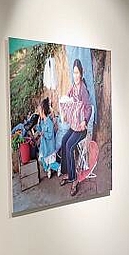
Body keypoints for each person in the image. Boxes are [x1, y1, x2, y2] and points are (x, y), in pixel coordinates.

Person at [58, 59, 92, 196]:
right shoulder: (73, 87)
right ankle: (67, 173)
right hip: (74, 125)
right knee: (63, 141)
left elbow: (89, 108)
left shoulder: (83, 89)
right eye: (74, 73)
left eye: (77, 73)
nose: (75, 76)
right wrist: (65, 105)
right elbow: (68, 99)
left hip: (81, 128)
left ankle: (74, 180)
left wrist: (85, 120)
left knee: (69, 146)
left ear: (81, 74)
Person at [37, 98, 61, 178]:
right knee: (43, 159)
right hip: (44, 147)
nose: (39, 112)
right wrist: (38, 122)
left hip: (49, 147)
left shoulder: (49, 122)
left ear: (43, 111)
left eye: (40, 110)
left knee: (51, 162)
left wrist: (44, 134)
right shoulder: (42, 121)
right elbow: (39, 129)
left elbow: (50, 135)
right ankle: (49, 170)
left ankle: (58, 167)